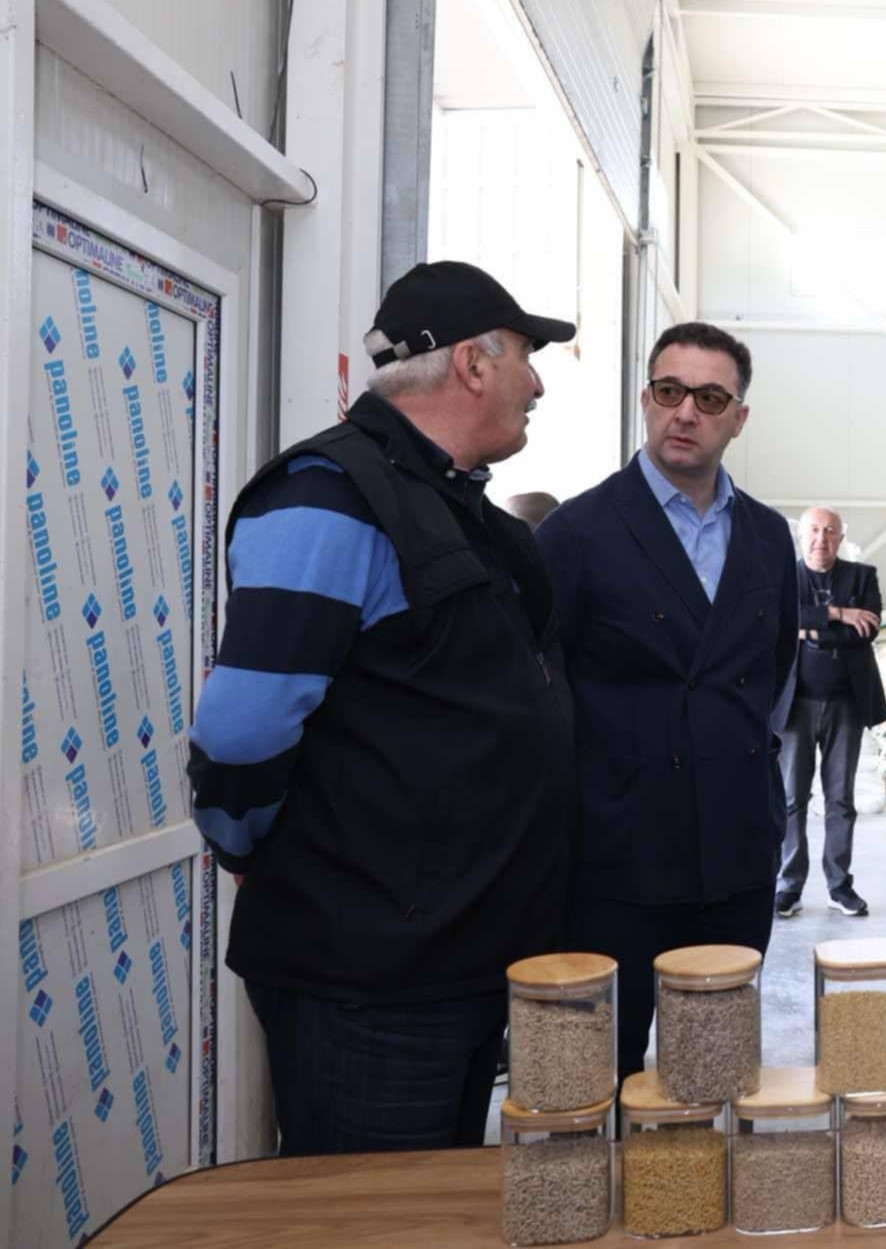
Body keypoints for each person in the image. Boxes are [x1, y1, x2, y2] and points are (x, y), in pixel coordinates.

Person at [188, 260, 578, 1154]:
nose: (537, 384)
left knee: (435, 1208)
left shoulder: (462, 509)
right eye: (525, 356)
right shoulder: (329, 495)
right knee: (366, 1213)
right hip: (369, 984)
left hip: (460, 962)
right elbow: (240, 734)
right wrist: (251, 850)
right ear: (473, 363)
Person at [537, 321, 799, 1079]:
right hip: (615, 860)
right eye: (669, 390)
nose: (686, 412)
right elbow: (542, 696)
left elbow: (773, 673)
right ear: (645, 400)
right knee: (595, 1074)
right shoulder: (576, 533)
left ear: (738, 418)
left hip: (735, 856)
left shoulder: (767, 535)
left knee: (712, 1071)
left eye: (710, 398)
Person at [776, 506, 886, 918]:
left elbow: (867, 631)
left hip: (846, 704)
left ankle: (839, 887)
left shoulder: (862, 577)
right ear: (801, 535)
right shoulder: (784, 576)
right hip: (795, 706)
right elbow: (777, 622)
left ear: (840, 537)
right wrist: (839, 615)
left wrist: (808, 629)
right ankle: (788, 886)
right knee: (792, 799)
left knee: (840, 800)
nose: (820, 539)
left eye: (829, 531)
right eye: (813, 530)